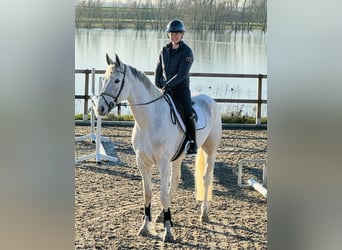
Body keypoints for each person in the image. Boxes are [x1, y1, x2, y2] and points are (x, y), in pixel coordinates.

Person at [155, 19, 197, 155]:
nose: (175, 36)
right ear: (168, 35)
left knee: (187, 112)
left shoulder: (187, 52)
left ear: (182, 35)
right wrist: (158, 81)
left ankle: (192, 142)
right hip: (166, 89)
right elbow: (158, 68)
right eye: (172, 34)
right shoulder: (163, 50)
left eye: (178, 34)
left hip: (181, 89)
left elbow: (182, 74)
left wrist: (168, 85)